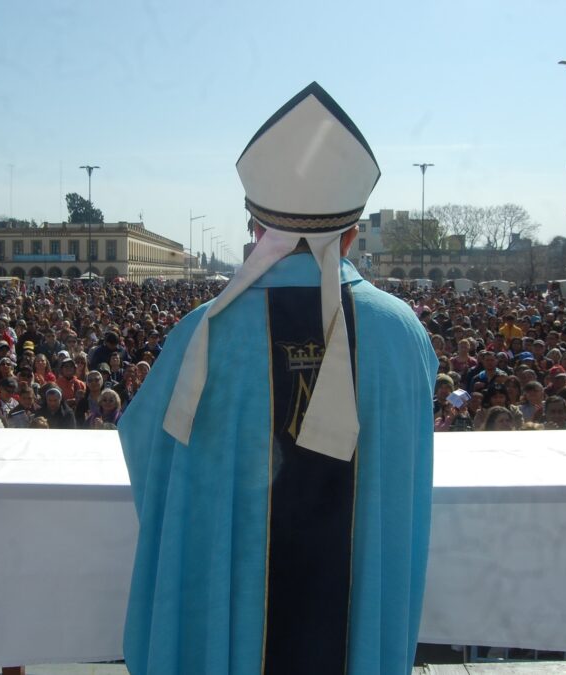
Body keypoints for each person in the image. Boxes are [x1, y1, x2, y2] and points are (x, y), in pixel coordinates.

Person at [118, 84, 437, 675]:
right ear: (352, 232)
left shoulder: (202, 336)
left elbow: (150, 454)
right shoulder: (402, 333)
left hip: (232, 630)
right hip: (354, 629)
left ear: (256, 229)